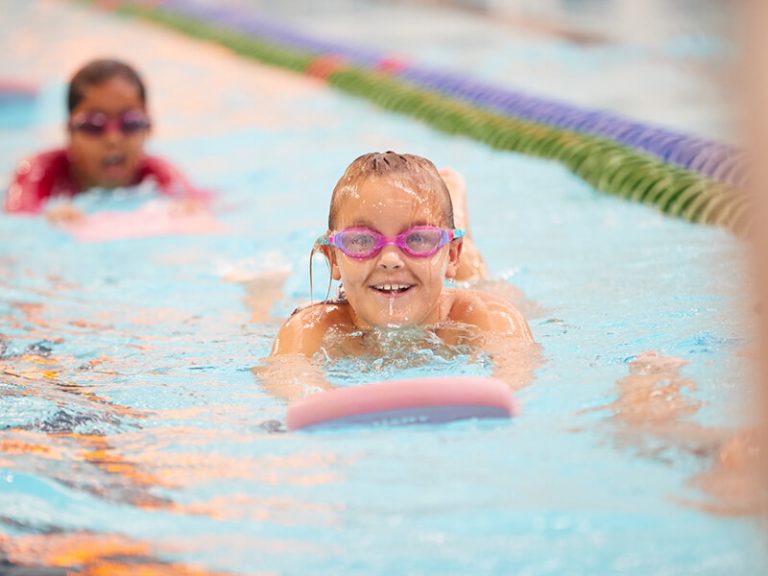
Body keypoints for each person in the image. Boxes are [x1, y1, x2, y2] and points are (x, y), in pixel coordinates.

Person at [261, 151, 537, 399]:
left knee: (485, 283)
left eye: (418, 238)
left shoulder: (483, 317)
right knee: (261, 305)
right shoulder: (312, 327)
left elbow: (516, 376)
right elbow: (289, 380)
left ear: (452, 255)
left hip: (462, 281)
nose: (390, 260)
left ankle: (460, 227)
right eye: (362, 241)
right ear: (333, 258)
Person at [3, 58, 208, 221]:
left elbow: (200, 206)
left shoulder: (158, 174)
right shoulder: (40, 170)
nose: (113, 139)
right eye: (94, 125)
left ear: (149, 128)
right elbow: (17, 219)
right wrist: (46, 221)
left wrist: (189, 212)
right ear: (70, 132)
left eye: (130, 123)